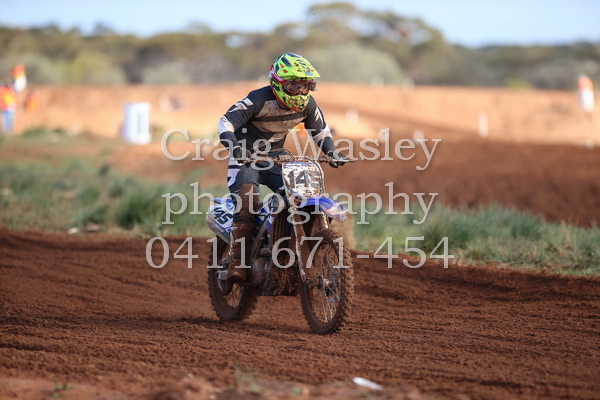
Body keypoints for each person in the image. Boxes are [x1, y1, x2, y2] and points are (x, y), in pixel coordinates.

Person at [217, 52, 349, 282]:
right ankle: (237, 263)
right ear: (278, 83)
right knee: (247, 204)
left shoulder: (308, 104)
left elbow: (320, 130)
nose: (300, 91)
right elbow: (225, 122)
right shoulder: (258, 100)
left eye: (305, 85)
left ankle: (287, 250)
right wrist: (236, 148)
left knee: (301, 197)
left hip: (277, 158)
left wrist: (331, 151)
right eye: (293, 85)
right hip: (246, 158)